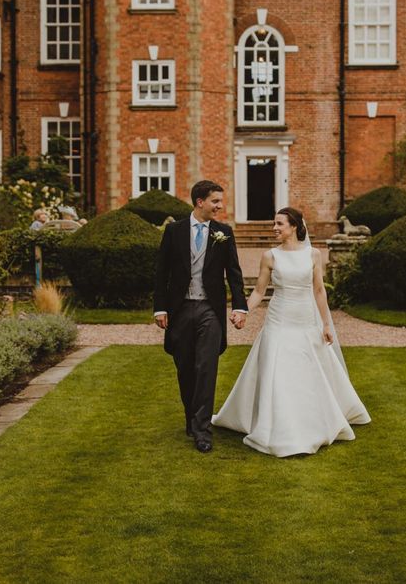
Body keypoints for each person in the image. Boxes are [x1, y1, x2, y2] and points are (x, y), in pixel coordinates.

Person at [211, 207, 371, 457]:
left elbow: (319, 291)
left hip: (306, 318)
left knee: (308, 368)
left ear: (294, 226)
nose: (274, 228)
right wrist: (243, 311)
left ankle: (311, 419)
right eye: (274, 223)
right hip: (278, 319)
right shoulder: (270, 256)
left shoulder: (313, 255)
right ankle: (276, 424)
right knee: (277, 369)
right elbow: (259, 292)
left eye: (279, 224)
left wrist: (327, 324)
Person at [153, 180, 248, 454]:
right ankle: (191, 419)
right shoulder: (174, 231)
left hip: (210, 310)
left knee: (206, 368)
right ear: (200, 202)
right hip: (181, 309)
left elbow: (235, 273)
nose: (220, 206)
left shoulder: (224, 232)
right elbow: (162, 273)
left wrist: (239, 307)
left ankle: (203, 430)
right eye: (216, 201)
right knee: (185, 369)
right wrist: (160, 308)